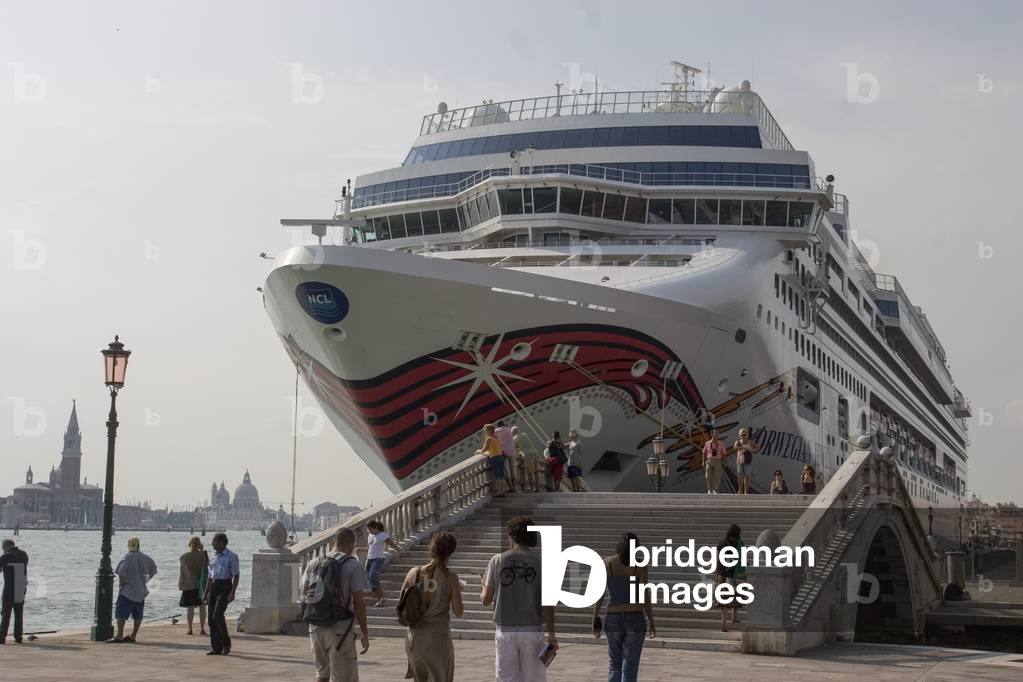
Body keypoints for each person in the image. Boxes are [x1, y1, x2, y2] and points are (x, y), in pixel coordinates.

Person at [481, 516, 557, 682]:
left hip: (505, 630)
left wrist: (483, 586)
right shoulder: (543, 562)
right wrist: (552, 635)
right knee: (534, 678)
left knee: (506, 678)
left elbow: (486, 600)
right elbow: (548, 604)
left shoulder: (497, 560)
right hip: (532, 629)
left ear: (511, 535)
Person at [301, 527, 370, 682]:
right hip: (340, 630)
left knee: (321, 675)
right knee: (344, 678)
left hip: (316, 628)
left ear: (333, 543)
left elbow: (304, 594)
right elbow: (359, 603)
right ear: (352, 546)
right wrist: (365, 632)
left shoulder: (314, 562)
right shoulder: (353, 565)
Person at [592, 533, 656, 682]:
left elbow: (599, 594)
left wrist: (594, 619)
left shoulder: (606, 563)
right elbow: (644, 595)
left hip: (613, 617)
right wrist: (652, 621)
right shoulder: (640, 566)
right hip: (634, 617)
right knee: (630, 665)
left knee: (614, 663)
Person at [403, 531, 464, 681]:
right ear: (450, 552)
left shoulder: (414, 573)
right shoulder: (451, 578)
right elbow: (458, 611)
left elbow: (402, 602)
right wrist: (456, 591)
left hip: (415, 636)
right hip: (437, 637)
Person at [109, 537, 158, 643]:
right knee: (138, 614)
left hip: (127, 590)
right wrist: (146, 580)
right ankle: (133, 635)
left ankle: (119, 635)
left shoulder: (126, 557)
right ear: (139, 545)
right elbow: (154, 569)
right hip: (141, 591)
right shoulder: (146, 558)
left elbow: (121, 573)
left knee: (121, 613)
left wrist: (121, 584)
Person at [202, 532, 240, 655]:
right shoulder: (213, 557)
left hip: (225, 586)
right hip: (214, 586)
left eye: (214, 542)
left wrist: (232, 592)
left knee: (218, 615)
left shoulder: (231, 556)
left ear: (222, 542)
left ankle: (226, 643)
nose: (212, 544)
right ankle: (216, 647)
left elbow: (236, 575)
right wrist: (206, 592)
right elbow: (209, 576)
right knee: (211, 620)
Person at [715, 525, 746, 632]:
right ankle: (734, 617)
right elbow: (742, 560)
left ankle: (723, 623)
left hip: (722, 574)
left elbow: (717, 559)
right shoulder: (739, 544)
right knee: (736, 595)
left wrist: (717, 572)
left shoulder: (721, 543)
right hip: (734, 574)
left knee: (723, 598)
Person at [365, 520, 400, 607]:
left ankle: (382, 597)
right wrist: (358, 549)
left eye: (371, 530)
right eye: (368, 530)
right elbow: (368, 549)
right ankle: (380, 599)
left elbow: (391, 543)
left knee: (372, 576)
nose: (370, 532)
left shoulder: (382, 535)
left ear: (376, 528)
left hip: (378, 559)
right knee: (371, 581)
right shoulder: (370, 536)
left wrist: (399, 550)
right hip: (369, 560)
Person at [0, 539, 29, 645]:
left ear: (6, 547)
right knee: (18, 613)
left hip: (9, 588)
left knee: (6, 614)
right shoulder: (24, 554)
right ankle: (18, 637)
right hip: (21, 586)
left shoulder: (5, 556)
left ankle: (2, 638)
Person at [179, 536, 208, 636]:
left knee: (190, 608)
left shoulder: (184, 556)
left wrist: (182, 584)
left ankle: (190, 629)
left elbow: (183, 573)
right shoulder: (203, 555)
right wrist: (203, 550)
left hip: (189, 585)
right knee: (202, 608)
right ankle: (202, 629)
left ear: (189, 544)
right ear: (199, 544)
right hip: (201, 585)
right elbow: (206, 568)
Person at [476, 424, 507, 497]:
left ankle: (499, 492)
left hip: (495, 458)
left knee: (497, 476)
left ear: (490, 430)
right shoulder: (496, 438)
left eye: (485, 430)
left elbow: (484, 449)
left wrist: (478, 451)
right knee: (502, 476)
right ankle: (503, 491)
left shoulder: (489, 438)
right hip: (501, 456)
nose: (485, 432)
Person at [512, 427, 542, 493]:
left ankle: (531, 488)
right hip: (535, 452)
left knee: (530, 471)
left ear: (513, 432)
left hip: (527, 454)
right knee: (536, 471)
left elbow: (515, 449)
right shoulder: (524, 434)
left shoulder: (514, 438)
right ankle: (537, 487)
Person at [494, 421, 519, 493]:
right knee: (512, 470)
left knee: (505, 470)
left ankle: (511, 487)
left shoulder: (497, 430)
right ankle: (514, 487)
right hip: (512, 451)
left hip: (503, 452)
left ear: (498, 425)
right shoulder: (508, 429)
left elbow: (491, 438)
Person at [733, 428, 760, 495]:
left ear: (747, 435)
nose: (744, 436)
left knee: (747, 476)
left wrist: (752, 450)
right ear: (739, 435)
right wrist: (745, 448)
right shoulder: (738, 442)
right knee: (740, 475)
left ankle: (746, 491)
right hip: (740, 461)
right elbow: (735, 447)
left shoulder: (749, 441)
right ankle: (740, 490)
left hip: (748, 460)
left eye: (745, 434)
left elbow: (757, 447)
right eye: (742, 435)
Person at [702, 430, 727, 494]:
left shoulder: (721, 443)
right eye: (714, 435)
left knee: (717, 476)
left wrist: (723, 461)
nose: (716, 436)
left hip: (718, 460)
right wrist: (703, 461)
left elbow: (724, 453)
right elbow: (704, 452)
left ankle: (715, 489)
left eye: (717, 435)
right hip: (709, 460)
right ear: (711, 435)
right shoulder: (707, 443)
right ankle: (710, 489)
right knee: (708, 476)